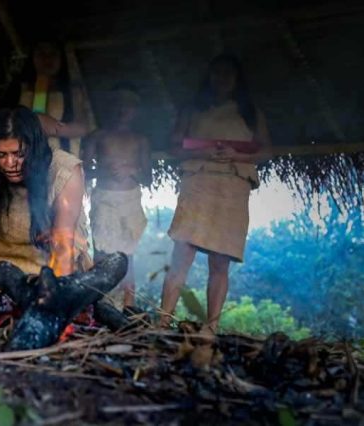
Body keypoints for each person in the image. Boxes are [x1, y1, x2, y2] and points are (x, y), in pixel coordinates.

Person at [159, 54, 272, 332]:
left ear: (237, 79)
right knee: (181, 255)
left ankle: (210, 328)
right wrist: (204, 151)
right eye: (216, 73)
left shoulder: (250, 112)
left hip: (231, 188)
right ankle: (162, 321)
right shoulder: (192, 110)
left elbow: (267, 152)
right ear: (208, 77)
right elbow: (173, 148)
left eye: (228, 74)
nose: (222, 79)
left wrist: (236, 155)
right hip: (198, 183)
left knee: (220, 262)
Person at [0, 106, 91, 299]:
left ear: (35, 149)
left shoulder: (65, 172)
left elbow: (63, 251)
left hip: (50, 279)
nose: (10, 163)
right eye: (1, 155)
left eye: (19, 154)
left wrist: (52, 308)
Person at [82, 84, 152, 310]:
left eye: (129, 104)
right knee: (102, 254)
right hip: (104, 200)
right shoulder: (97, 136)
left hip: (130, 201)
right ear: (110, 108)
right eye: (118, 104)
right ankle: (100, 306)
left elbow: (148, 177)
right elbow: (83, 170)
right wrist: (104, 171)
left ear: (137, 110)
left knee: (127, 257)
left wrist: (131, 171)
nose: (123, 109)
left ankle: (128, 308)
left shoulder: (141, 140)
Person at [2, 40, 91, 157]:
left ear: (61, 58)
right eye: (41, 53)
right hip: (23, 161)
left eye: (53, 54)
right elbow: (1, 124)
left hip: (63, 164)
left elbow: (85, 127)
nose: (47, 59)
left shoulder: (73, 90)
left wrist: (56, 129)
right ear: (32, 57)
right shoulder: (18, 88)